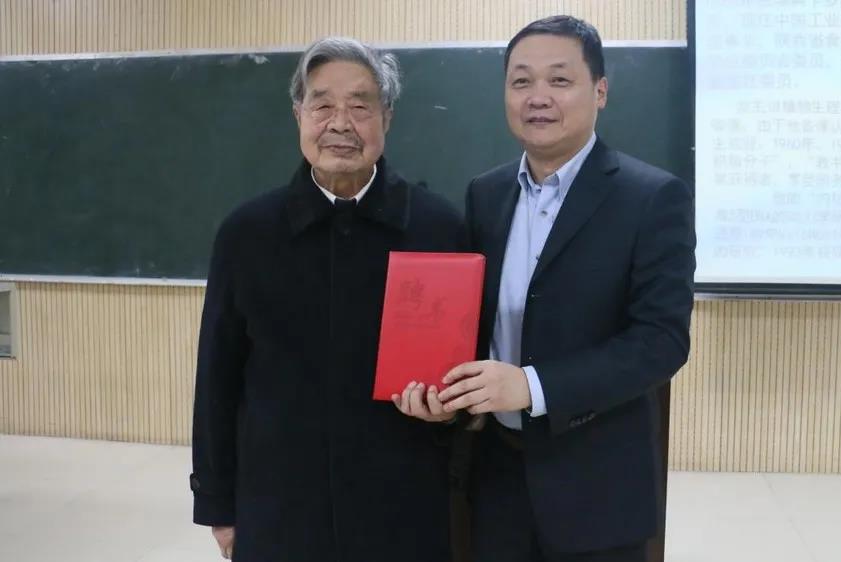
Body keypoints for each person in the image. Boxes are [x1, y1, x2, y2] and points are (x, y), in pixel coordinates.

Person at [397, 14, 696, 562]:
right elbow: (475, 323)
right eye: (521, 81)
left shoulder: (652, 198)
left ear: (600, 91)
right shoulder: (486, 194)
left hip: (596, 485)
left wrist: (532, 387)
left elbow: (661, 342)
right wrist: (447, 396)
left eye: (559, 79)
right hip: (496, 476)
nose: (538, 97)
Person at [190, 36, 462, 562]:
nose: (341, 124)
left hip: (403, 505)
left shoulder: (438, 228)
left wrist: (448, 412)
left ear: (387, 117)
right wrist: (218, 505)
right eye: (322, 105)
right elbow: (217, 378)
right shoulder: (247, 234)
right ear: (298, 114)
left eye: (360, 106)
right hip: (279, 505)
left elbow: (462, 374)